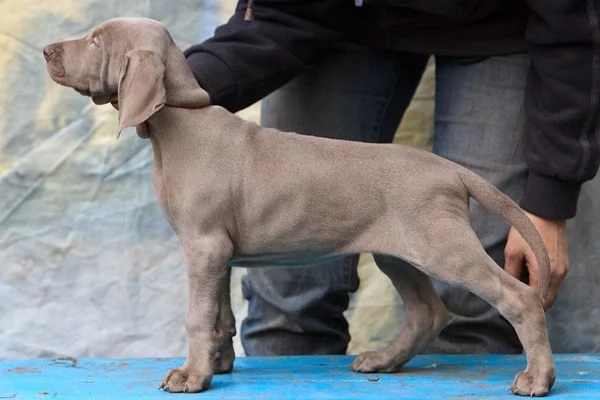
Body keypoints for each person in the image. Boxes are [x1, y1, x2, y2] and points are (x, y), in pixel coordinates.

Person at [184, 0, 599, 356]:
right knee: (289, 298)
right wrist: (174, 83)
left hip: (498, 23)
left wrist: (549, 199)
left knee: (478, 296)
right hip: (339, 21)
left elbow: (572, 16)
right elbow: (278, 11)